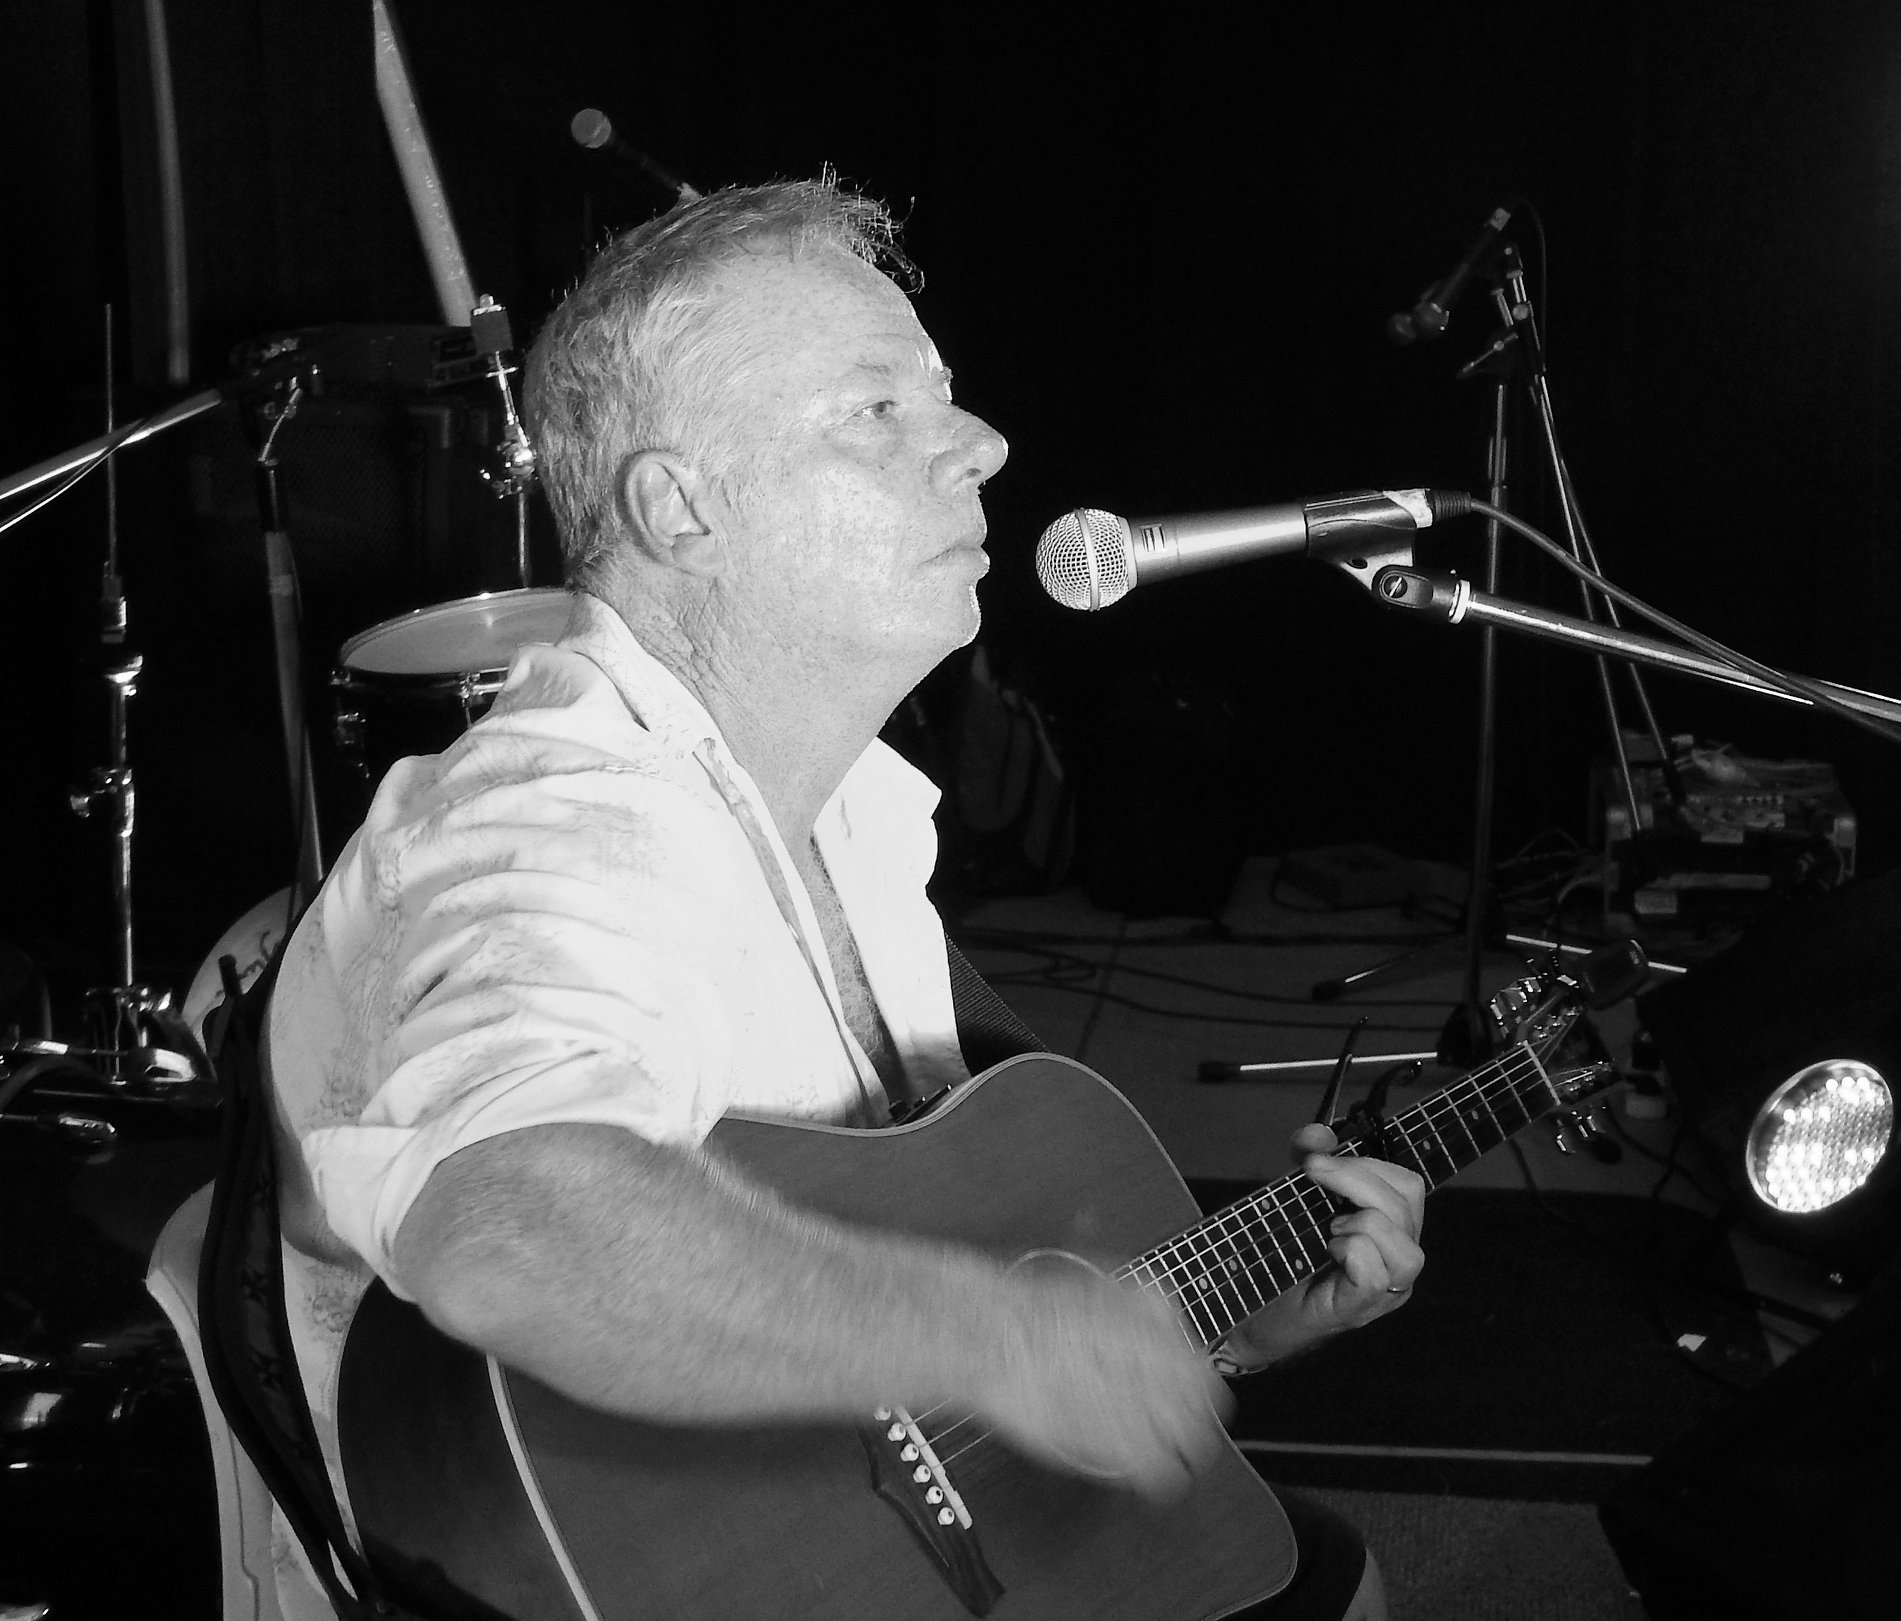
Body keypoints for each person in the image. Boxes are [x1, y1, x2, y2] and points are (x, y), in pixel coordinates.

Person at [265, 177, 1426, 1618]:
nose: (983, 444)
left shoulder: (858, 809)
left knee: (1319, 1578)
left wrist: (1222, 1327)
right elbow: (509, 1222)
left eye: (944, 398)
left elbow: (908, 1228)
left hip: (839, 1512)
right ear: (679, 508)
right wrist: (996, 1339)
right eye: (876, 409)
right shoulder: (562, 818)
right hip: (533, 1576)